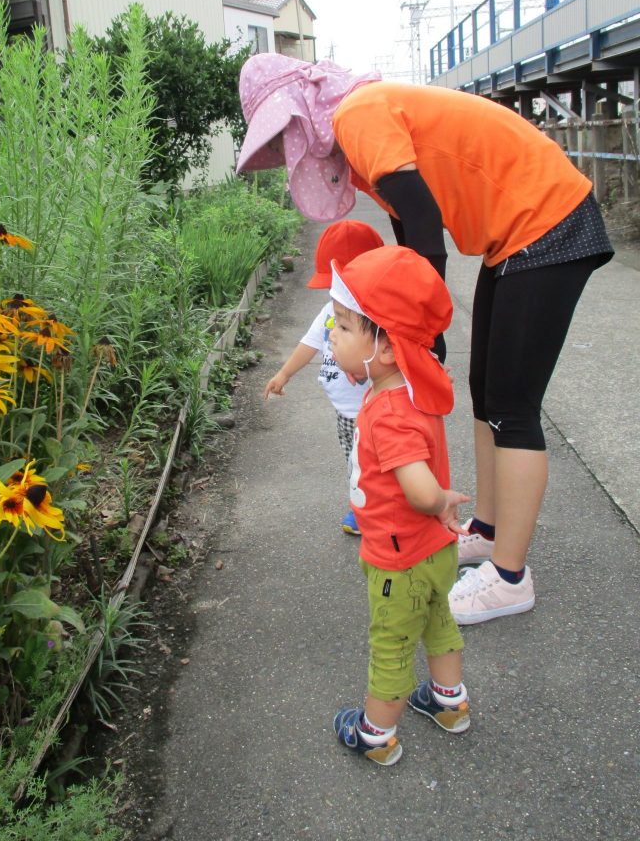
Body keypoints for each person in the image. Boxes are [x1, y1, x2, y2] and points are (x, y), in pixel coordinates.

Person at [237, 53, 614, 625]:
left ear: (303, 110)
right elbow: (409, 237)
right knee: (486, 393)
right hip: (512, 236)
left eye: (287, 130)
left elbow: (425, 230)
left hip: (546, 219)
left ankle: (510, 578)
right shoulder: (360, 126)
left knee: (513, 406)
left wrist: (417, 334)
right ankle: (487, 533)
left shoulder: (358, 114)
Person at [328, 244, 470, 767]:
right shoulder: (410, 388)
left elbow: (416, 487)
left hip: (400, 557)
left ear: (385, 347)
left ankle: (376, 734)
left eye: (343, 328)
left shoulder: (388, 412)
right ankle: (449, 702)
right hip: (433, 551)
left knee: (390, 643)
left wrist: (439, 500)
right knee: (438, 622)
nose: (332, 336)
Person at [263, 219, 383, 535]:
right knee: (354, 464)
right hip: (344, 411)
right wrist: (284, 373)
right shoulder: (330, 311)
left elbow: (400, 352)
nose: (335, 295)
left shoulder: (378, 315)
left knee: (378, 464)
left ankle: (375, 511)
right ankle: (362, 505)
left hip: (376, 409)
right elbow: (310, 343)